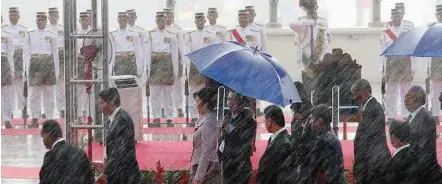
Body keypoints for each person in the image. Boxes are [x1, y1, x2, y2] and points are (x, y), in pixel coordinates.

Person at [96, 88, 140, 184]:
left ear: (112, 102)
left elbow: (119, 152)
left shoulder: (122, 120)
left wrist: (106, 173)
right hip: (117, 172)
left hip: (125, 174)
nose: (100, 107)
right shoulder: (111, 120)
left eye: (102, 103)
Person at [351, 79, 391, 184]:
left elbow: (369, 137)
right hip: (371, 160)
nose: (354, 98)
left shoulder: (373, 108)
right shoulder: (369, 107)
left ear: (363, 92)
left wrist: (362, 164)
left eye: (355, 94)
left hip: (373, 162)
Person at [24, 12, 60, 128]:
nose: (41, 22)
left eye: (43, 20)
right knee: (35, 93)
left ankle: (49, 118)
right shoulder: (30, 34)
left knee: (49, 92)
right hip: (35, 63)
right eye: (39, 19)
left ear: (46, 21)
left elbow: (55, 53)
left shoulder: (52, 34)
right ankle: (35, 118)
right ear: (36, 20)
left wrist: (57, 69)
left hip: (48, 63)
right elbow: (26, 52)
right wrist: (26, 68)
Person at [289, 0, 331, 96]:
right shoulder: (301, 21)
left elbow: (327, 39)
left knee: (320, 86)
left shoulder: (322, 21)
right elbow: (291, 25)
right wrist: (310, 22)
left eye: (313, 8)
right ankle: (308, 106)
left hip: (319, 56)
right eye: (308, 8)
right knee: (307, 86)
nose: (311, 11)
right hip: (306, 56)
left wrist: (315, 22)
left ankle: (319, 104)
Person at [380, 8, 414, 120]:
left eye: (398, 16)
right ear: (391, 17)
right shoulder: (386, 33)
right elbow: (382, 50)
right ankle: (390, 115)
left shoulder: (407, 31)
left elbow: (411, 49)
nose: (396, 18)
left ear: (401, 17)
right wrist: (381, 68)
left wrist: (413, 67)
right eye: (394, 16)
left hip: (405, 62)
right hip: (391, 63)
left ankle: (405, 114)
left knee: (406, 90)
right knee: (391, 91)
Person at [146, 12, 178, 127]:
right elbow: (147, 53)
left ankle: (169, 118)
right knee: (155, 93)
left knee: (168, 93)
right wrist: (147, 70)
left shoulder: (171, 34)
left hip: (167, 63)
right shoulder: (150, 34)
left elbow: (174, 53)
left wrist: (175, 70)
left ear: (165, 20)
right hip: (155, 64)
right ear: (156, 21)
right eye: (158, 20)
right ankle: (156, 118)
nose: (160, 22)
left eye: (162, 19)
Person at [278, 82, 314, 183]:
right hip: (301, 160)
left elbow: (308, 141)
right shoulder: (298, 110)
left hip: (307, 162)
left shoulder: (308, 113)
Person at [184, 12, 217, 126]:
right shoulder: (190, 35)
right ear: (195, 22)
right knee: (193, 91)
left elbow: (214, 51)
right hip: (194, 65)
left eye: (201, 19)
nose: (199, 22)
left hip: (207, 65)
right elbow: (187, 52)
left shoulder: (211, 35)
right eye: (197, 20)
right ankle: (193, 116)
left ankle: (205, 114)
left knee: (206, 91)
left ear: (204, 21)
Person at [404, 85, 441, 183]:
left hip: (424, 174)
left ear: (419, 100)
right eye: (405, 97)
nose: (405, 100)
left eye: (409, 97)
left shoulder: (426, 119)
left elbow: (424, 153)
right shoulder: (411, 117)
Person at [39, 120, 94, 184]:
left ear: (49, 134)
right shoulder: (79, 152)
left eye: (43, 136)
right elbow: (89, 179)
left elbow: (46, 180)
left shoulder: (51, 156)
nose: (43, 141)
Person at [219, 91, 257, 184]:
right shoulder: (227, 116)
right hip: (228, 164)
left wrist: (228, 127)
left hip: (240, 167)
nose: (229, 102)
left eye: (232, 99)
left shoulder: (248, 120)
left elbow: (241, 139)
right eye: (228, 99)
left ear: (241, 102)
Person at [307, 104, 345, 184]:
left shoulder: (325, 141)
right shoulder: (328, 137)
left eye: (312, 119)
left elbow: (325, 173)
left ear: (320, 121)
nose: (311, 122)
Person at [189, 87, 220, 184]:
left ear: (206, 104)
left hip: (207, 168)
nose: (195, 104)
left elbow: (206, 151)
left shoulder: (209, 121)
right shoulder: (203, 118)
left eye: (197, 101)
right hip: (198, 165)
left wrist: (198, 177)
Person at [2, 7, 28, 119]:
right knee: (10, 86)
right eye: (11, 14)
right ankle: (10, 111)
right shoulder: (4, 29)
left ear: (19, 16)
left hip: (20, 56)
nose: (13, 17)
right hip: (8, 58)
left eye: (15, 14)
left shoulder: (24, 29)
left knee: (21, 85)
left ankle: (23, 109)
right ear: (8, 16)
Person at [257, 105, 293, 184]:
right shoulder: (274, 138)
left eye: (264, 121)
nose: (264, 123)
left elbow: (281, 173)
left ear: (270, 122)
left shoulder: (284, 143)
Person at [164, 8, 186, 118]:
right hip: (164, 61)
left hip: (177, 59)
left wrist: (183, 60)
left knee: (178, 86)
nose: (167, 18)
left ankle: (179, 108)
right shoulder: (161, 30)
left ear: (173, 17)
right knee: (166, 87)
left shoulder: (178, 30)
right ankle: (166, 109)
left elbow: (181, 46)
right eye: (165, 16)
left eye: (169, 16)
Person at [110, 12, 143, 78]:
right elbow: (111, 53)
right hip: (118, 61)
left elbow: (138, 52)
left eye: (124, 19)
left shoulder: (134, 34)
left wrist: (139, 69)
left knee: (130, 84)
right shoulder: (112, 34)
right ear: (117, 20)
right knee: (119, 83)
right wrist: (110, 68)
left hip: (130, 61)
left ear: (127, 20)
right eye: (120, 19)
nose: (122, 21)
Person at [47, 7, 65, 118]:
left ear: (58, 16)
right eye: (51, 15)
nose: (53, 17)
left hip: (61, 57)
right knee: (47, 86)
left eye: (55, 15)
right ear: (49, 17)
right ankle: (48, 110)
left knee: (60, 84)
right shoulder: (46, 29)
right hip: (48, 59)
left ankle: (62, 108)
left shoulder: (63, 28)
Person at [76, 12, 92, 118]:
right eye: (82, 20)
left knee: (90, 87)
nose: (84, 22)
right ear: (79, 21)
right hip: (80, 61)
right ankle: (80, 113)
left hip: (91, 61)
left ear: (89, 20)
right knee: (80, 89)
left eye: (85, 19)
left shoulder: (93, 32)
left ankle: (89, 112)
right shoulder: (76, 33)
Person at [428, 5, 442, 121]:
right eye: (439, 14)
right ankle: (436, 114)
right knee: (436, 90)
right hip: (436, 62)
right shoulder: (431, 28)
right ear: (436, 15)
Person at [2, 16, 15, 129]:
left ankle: (7, 120)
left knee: (6, 94)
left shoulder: (7, 34)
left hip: (4, 61)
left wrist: (12, 69)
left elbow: (11, 53)